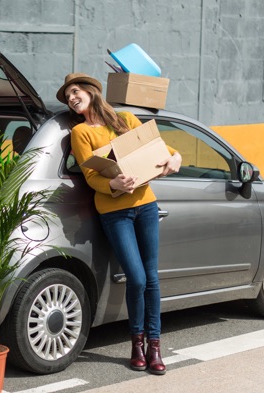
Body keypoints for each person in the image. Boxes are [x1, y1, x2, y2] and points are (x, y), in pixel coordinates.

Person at [57, 73, 182, 375]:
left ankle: (154, 346)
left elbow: (156, 149)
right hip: (114, 212)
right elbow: (91, 176)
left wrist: (175, 156)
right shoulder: (81, 133)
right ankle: (136, 343)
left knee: (151, 278)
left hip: (146, 206)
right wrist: (113, 182)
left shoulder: (124, 118)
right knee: (137, 278)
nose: (73, 98)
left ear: (91, 91)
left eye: (76, 91)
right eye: (68, 96)